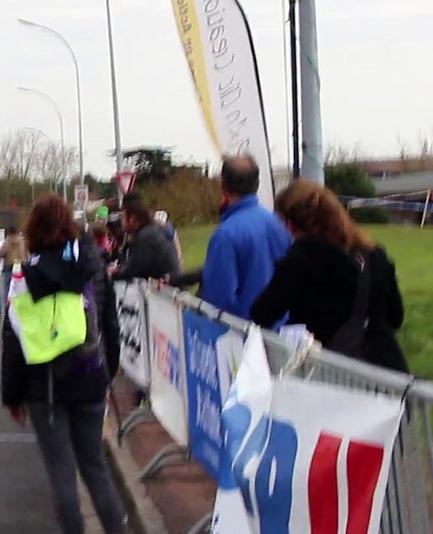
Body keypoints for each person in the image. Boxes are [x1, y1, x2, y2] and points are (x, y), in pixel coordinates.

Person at [1, 194, 142, 534]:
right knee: (94, 467)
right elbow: (110, 321)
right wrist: (108, 370)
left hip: (44, 386)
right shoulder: (92, 265)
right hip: (88, 379)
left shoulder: (26, 275)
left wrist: (10, 394)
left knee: (62, 471)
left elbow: (13, 339)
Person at [251, 180, 408, 373]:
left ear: (290, 225)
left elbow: (262, 313)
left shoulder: (301, 260)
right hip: (388, 371)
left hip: (335, 372)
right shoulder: (375, 256)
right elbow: (396, 316)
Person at [200, 155, 291, 319]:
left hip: (243, 335)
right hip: (281, 333)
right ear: (257, 183)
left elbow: (218, 299)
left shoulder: (225, 235)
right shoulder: (280, 224)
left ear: (223, 185)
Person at [110, 200, 181, 282]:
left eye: (123, 218)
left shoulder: (145, 237)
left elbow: (135, 268)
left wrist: (113, 274)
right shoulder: (147, 232)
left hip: (168, 288)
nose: (121, 223)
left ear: (132, 219)